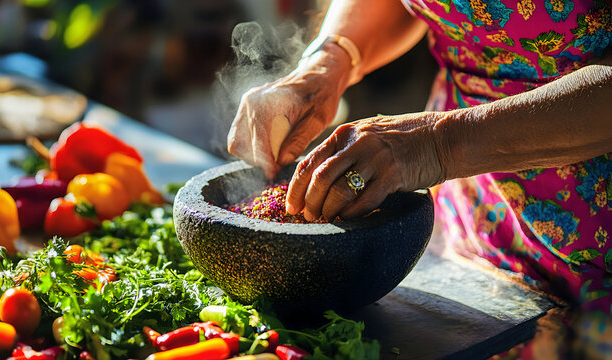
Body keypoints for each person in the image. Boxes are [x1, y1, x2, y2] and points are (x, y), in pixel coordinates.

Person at [226, 0, 611, 319]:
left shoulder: (436, 147)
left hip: (591, 232)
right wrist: (327, 63)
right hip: (468, 205)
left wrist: (436, 145)